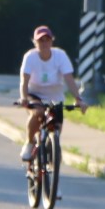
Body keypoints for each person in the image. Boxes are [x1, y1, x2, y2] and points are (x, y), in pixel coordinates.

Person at [19, 25, 84, 159]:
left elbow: (69, 79)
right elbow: (24, 81)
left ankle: (52, 147)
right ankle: (29, 142)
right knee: (38, 112)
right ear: (35, 42)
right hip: (35, 93)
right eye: (40, 40)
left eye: (47, 40)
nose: (44, 43)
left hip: (55, 97)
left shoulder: (60, 55)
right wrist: (24, 98)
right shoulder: (30, 57)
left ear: (52, 41)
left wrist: (78, 98)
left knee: (56, 127)